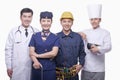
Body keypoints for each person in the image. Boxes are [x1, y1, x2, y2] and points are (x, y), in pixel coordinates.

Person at [79, 4, 112, 80]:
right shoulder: (85, 31)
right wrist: (80, 33)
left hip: (99, 69)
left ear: (100, 20)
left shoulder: (105, 32)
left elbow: (108, 47)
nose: (93, 21)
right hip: (86, 68)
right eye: (92, 19)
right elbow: (73, 35)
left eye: (96, 19)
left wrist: (98, 49)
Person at [5, 8, 39, 80]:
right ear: (21, 17)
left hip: (31, 67)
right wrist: (9, 66)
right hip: (16, 67)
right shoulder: (13, 31)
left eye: (29, 16)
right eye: (25, 16)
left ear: (32, 18)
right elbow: (8, 50)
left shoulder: (36, 32)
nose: (27, 19)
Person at [55, 11, 86, 80]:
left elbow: (82, 53)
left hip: (73, 73)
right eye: (64, 21)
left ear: (72, 23)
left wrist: (80, 64)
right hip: (59, 74)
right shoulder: (56, 37)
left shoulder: (78, 37)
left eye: (69, 21)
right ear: (61, 22)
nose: (67, 24)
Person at [29, 11, 59, 80]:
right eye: (43, 21)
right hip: (36, 68)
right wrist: (36, 61)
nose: (46, 23)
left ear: (51, 22)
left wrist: (38, 55)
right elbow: (31, 52)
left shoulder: (55, 37)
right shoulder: (34, 36)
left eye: (48, 21)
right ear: (40, 22)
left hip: (50, 70)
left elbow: (54, 53)